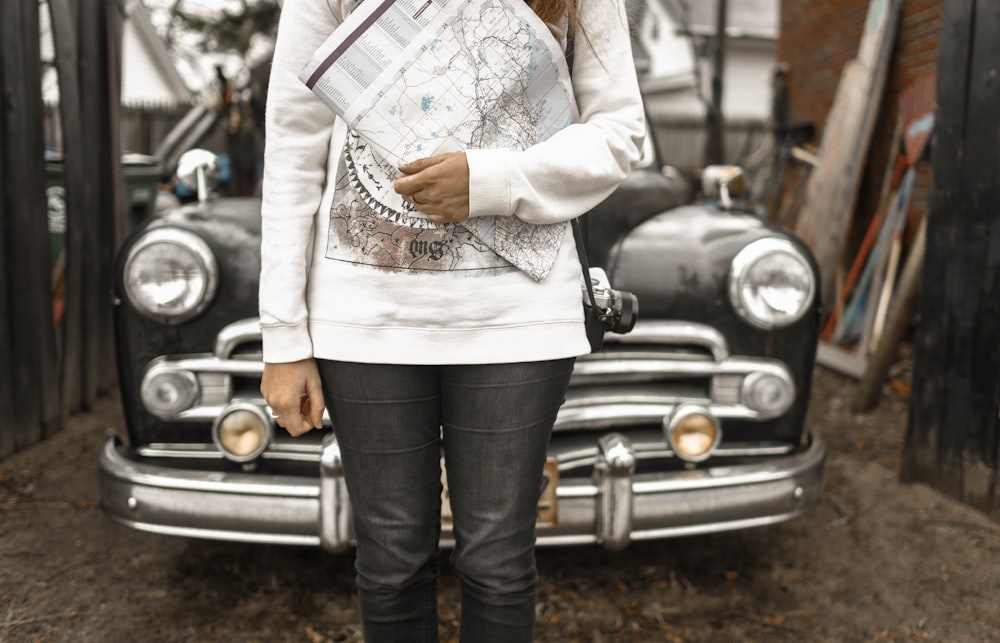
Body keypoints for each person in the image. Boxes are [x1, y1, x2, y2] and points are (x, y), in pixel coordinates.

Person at [258, 0, 644, 639]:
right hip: (365, 322)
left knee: (497, 563)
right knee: (390, 563)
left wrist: (495, 181)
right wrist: (283, 336)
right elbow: (293, 143)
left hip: (516, 318)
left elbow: (618, 130)